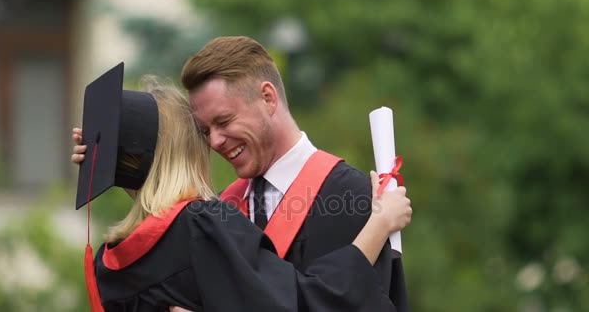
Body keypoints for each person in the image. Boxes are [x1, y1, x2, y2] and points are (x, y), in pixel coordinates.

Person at [73, 36, 410, 310]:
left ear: (267, 98)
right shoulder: (213, 218)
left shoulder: (351, 196)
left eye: (224, 121)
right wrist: (115, 158)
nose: (216, 141)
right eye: (204, 131)